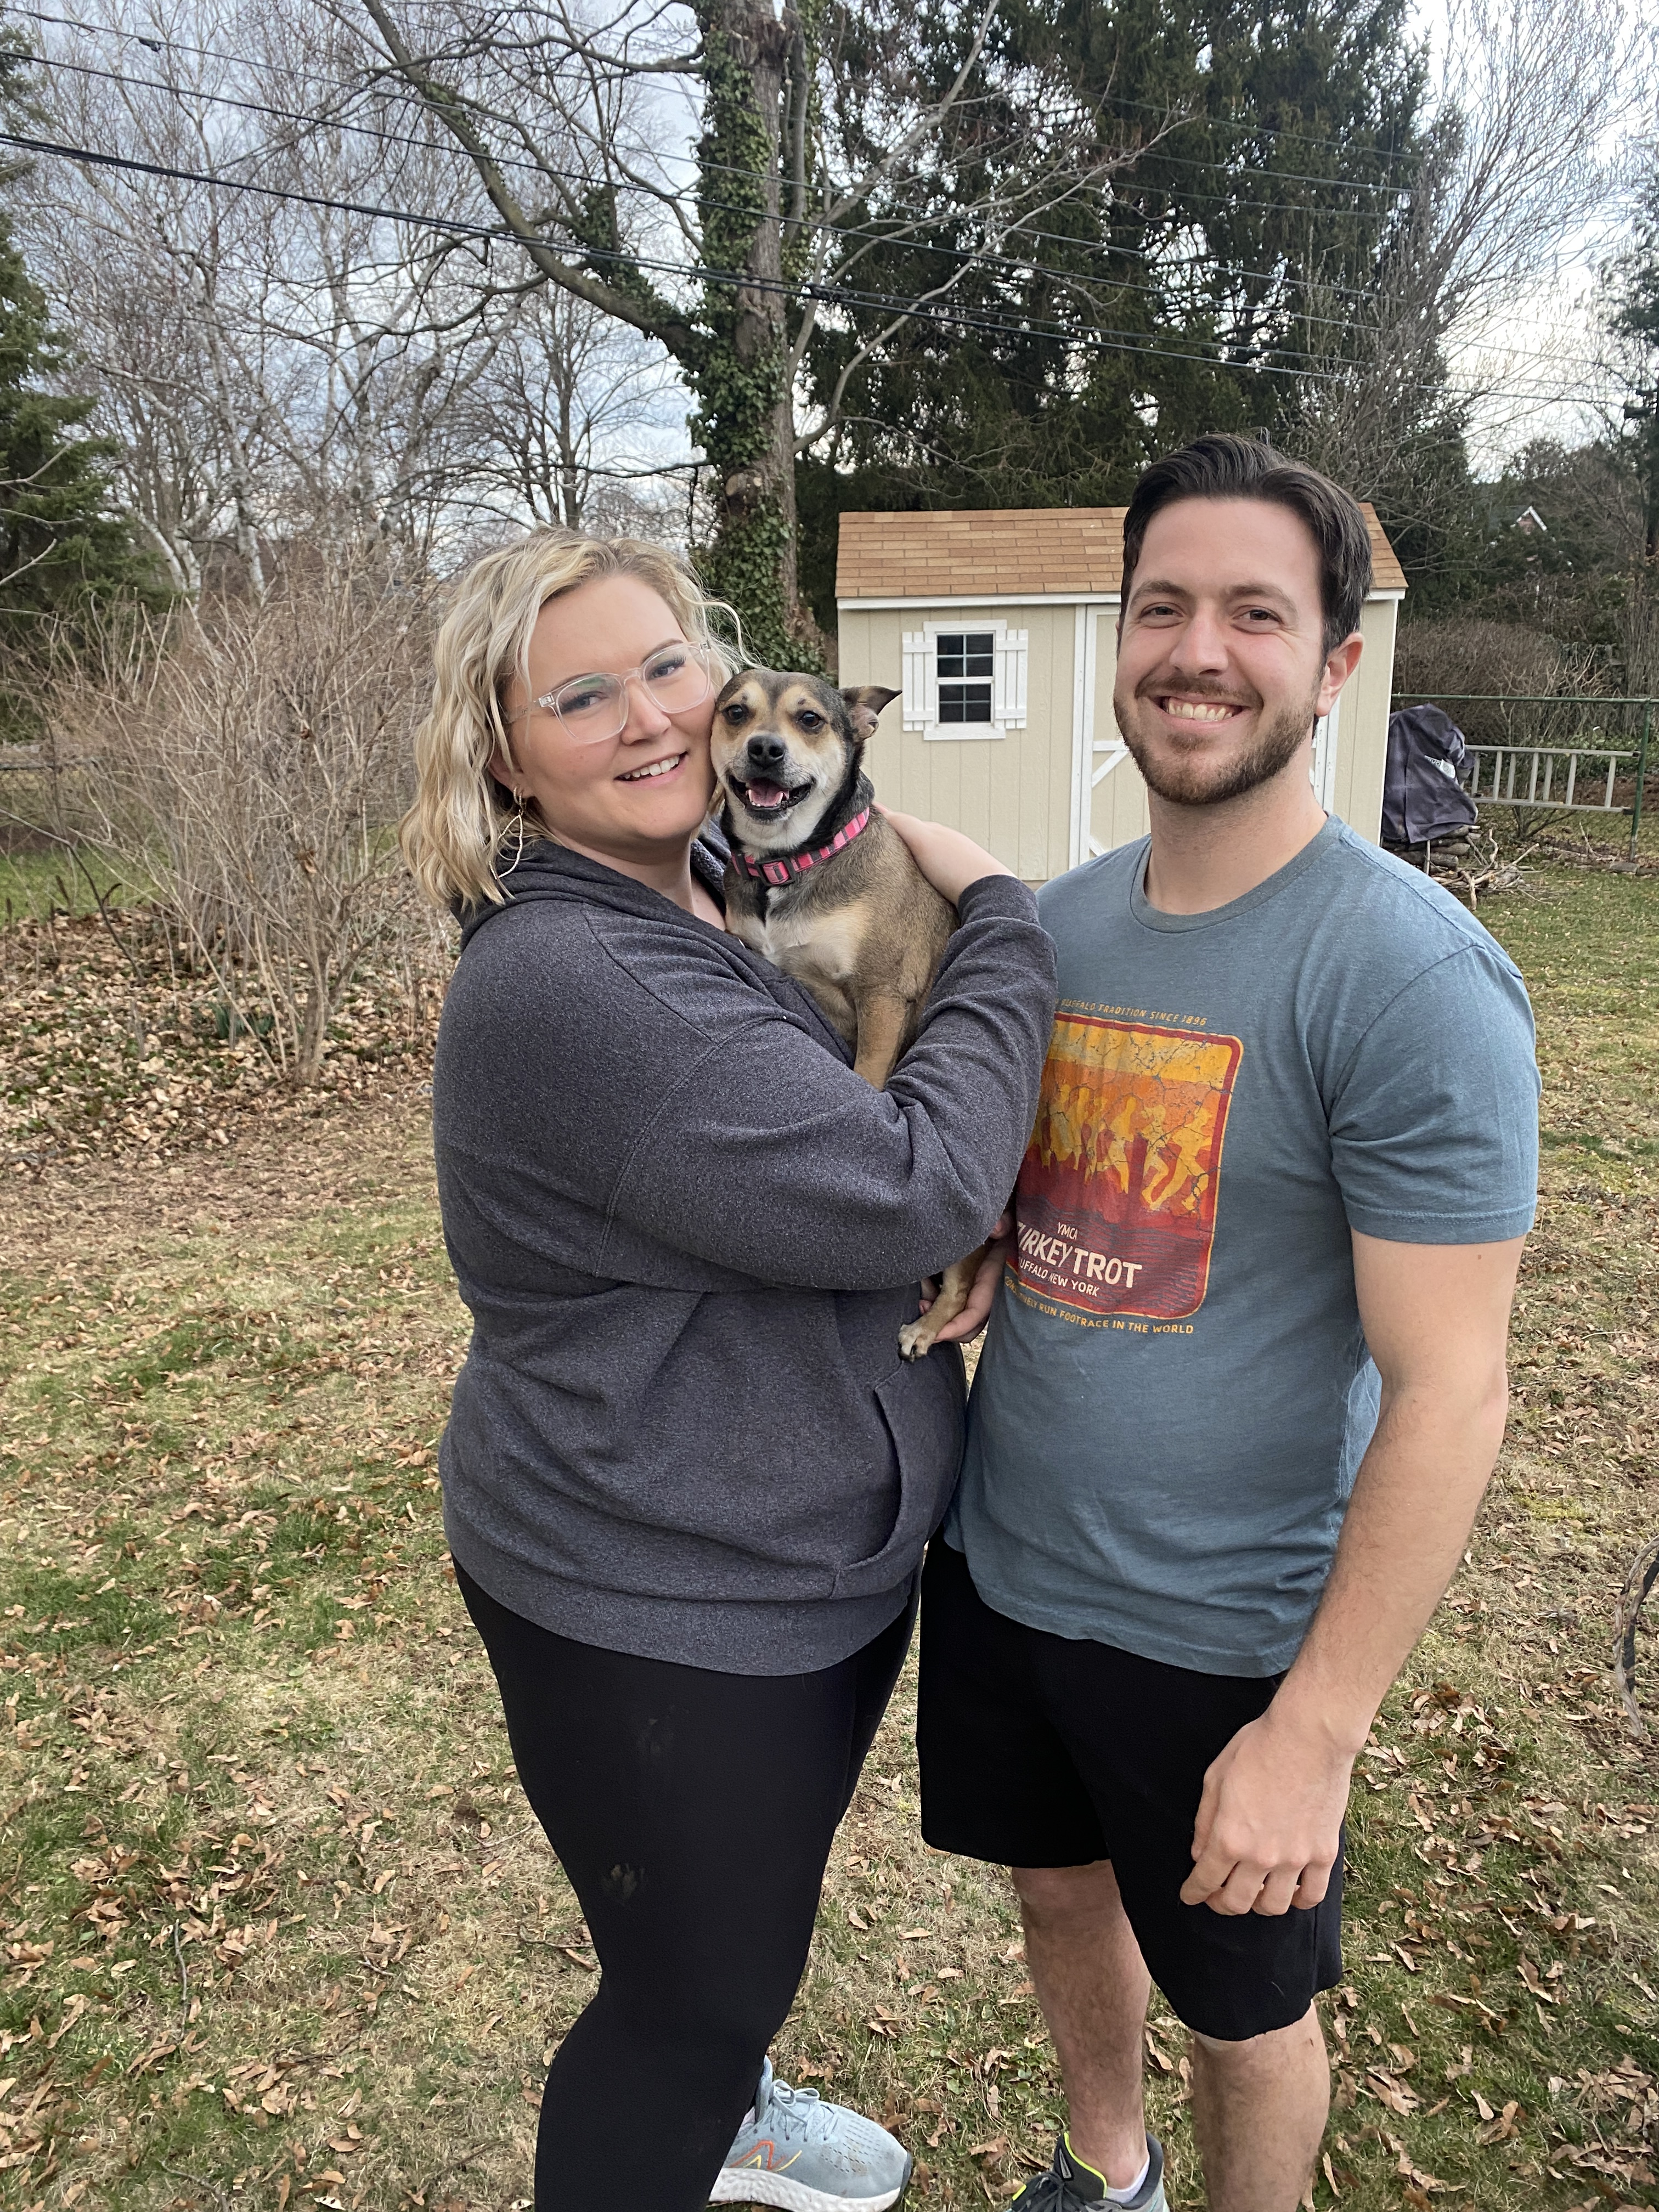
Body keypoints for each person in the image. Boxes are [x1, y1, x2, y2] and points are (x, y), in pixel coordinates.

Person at [916, 436, 1539, 2212]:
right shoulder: (1052, 931)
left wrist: (1315, 1732)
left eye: (1256, 615)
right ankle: (1105, 2172)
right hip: (1005, 1566)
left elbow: (1451, 1390)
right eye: (1163, 607)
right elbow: (1028, 1191)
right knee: (1058, 1895)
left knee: (1244, 2013)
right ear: (1119, 638)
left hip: (1226, 1635)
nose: (1199, 651)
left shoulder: (1409, 978)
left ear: (1335, 664)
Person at [399, 528, 1055, 2212]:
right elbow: (911, 1182)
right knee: (683, 2008)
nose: (648, 715)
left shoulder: (715, 890)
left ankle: (736, 2094)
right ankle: (707, 2099)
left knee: (723, 1936)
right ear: (504, 758)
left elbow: (832, 1143)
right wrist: (1005, 918)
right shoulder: (579, 980)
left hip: (790, 1548)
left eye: (666, 666)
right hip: (665, 1593)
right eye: (580, 696)